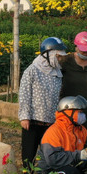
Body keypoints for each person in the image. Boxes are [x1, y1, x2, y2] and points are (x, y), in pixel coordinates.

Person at [37, 96, 87, 174]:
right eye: (79, 112)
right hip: (50, 171)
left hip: (72, 165)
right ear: (68, 112)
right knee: (72, 173)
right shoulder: (54, 132)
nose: (82, 115)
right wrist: (79, 155)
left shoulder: (80, 129)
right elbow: (53, 159)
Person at [19, 37, 69, 166]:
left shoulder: (57, 73)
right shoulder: (32, 70)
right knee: (29, 153)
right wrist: (25, 117)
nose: (59, 60)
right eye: (57, 57)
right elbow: (24, 94)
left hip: (51, 121)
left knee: (47, 153)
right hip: (33, 120)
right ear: (47, 54)